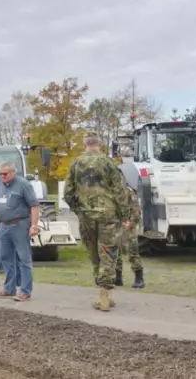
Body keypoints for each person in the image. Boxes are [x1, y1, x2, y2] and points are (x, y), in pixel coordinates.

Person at [63, 131, 132, 312]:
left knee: (94, 253)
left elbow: (67, 193)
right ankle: (105, 294)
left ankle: (103, 293)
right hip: (107, 215)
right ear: (99, 145)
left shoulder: (76, 164)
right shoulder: (109, 163)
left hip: (86, 215)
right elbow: (120, 191)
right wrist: (125, 215)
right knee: (108, 254)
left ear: (85, 144)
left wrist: (77, 209)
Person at [0, 161, 39, 301]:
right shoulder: (0, 185)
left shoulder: (23, 185)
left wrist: (33, 226)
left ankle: (25, 291)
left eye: (5, 174)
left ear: (13, 172)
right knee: (5, 257)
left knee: (24, 259)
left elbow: (34, 206)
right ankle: (9, 288)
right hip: (3, 226)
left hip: (20, 224)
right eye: (0, 174)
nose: (2, 176)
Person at [115, 169, 145, 289]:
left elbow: (136, 210)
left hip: (128, 228)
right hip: (115, 227)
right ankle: (118, 278)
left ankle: (139, 278)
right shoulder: (111, 194)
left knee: (133, 253)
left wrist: (131, 223)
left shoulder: (129, 193)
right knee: (115, 254)